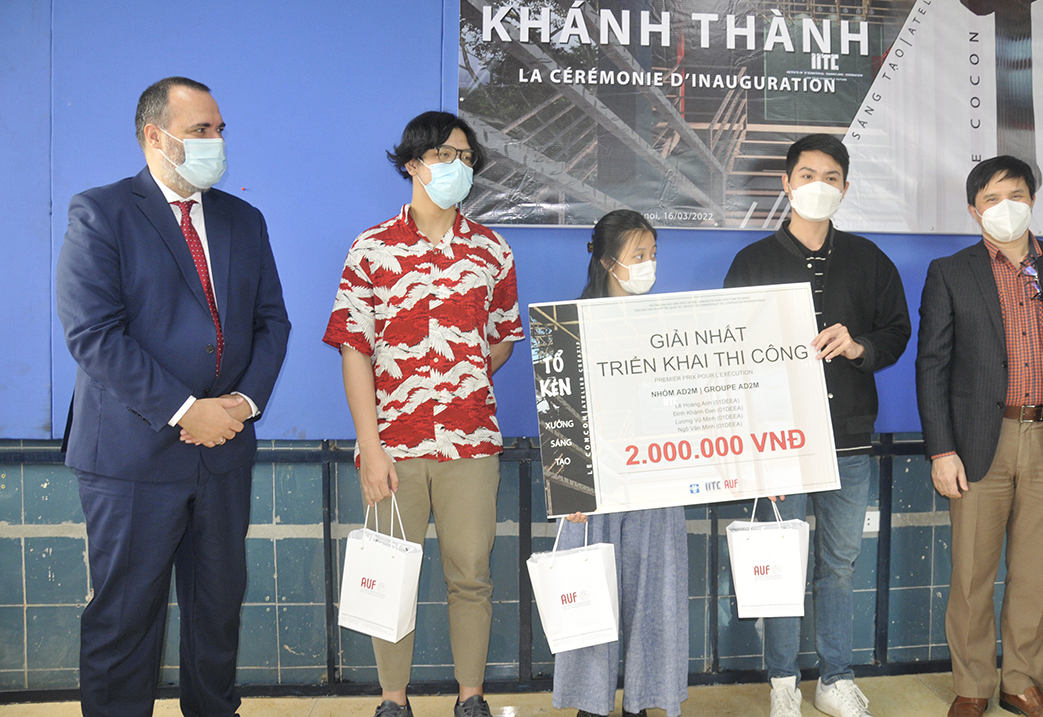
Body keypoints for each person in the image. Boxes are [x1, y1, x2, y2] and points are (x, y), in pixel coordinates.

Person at [56, 76, 291, 717]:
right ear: (154, 137)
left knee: (218, 614)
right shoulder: (101, 212)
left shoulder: (244, 220)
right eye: (200, 130)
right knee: (126, 619)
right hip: (131, 456)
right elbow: (93, 334)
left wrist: (242, 406)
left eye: (219, 129)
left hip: (224, 454)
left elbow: (272, 323)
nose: (216, 141)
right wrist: (187, 411)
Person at [323, 111, 524, 717]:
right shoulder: (372, 249)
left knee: (472, 574)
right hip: (394, 446)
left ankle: (471, 697)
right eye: (443, 155)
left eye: (466, 157)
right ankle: (393, 700)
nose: (457, 166)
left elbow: (503, 338)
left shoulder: (491, 250)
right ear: (412, 163)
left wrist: (462, 373)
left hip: (471, 444)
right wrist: (370, 447)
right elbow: (354, 349)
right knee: (391, 576)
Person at [915, 156, 1043, 717]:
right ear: (973, 210)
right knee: (971, 574)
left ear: (1033, 199)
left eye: (1016, 195)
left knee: (1033, 574)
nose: (1005, 207)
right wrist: (941, 449)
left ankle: (1021, 683)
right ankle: (973, 686)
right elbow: (932, 366)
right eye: (991, 198)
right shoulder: (950, 272)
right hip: (981, 441)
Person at [724, 134, 910, 717]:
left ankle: (835, 678)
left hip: (848, 438)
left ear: (846, 188)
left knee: (839, 564)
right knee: (780, 560)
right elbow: (730, 351)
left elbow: (897, 331)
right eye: (807, 175)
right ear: (786, 183)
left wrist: (859, 347)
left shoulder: (869, 259)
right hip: (778, 442)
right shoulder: (752, 262)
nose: (818, 186)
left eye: (831, 177)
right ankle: (783, 681)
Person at [551, 210, 689, 717]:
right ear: (609, 262)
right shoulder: (566, 324)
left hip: (657, 482)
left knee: (657, 600)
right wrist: (570, 489)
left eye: (653, 254)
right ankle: (590, 705)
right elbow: (560, 407)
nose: (649, 264)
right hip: (594, 492)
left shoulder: (669, 326)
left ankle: (645, 703)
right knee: (592, 599)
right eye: (638, 255)